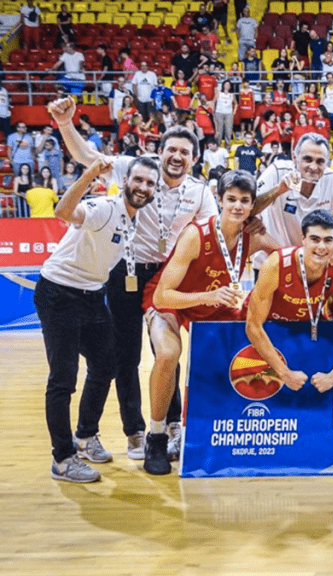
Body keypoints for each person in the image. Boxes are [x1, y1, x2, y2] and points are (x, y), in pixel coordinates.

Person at [50, 98, 218, 461]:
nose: (176, 156)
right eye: (171, 149)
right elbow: (87, 156)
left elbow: (213, 234)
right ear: (159, 152)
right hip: (124, 271)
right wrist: (66, 124)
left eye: (184, 152)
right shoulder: (134, 168)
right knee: (125, 357)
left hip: (167, 279)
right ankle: (135, 432)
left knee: (166, 352)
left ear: (194, 160)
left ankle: (173, 423)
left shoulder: (202, 193)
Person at [140, 171, 277, 474]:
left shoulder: (251, 235)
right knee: (167, 354)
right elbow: (164, 296)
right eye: (231, 200)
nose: (237, 206)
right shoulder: (195, 234)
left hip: (215, 303)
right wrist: (210, 295)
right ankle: (158, 436)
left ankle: (215, 430)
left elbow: (285, 256)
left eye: (244, 201)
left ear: (252, 206)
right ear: (219, 200)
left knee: (248, 345)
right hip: (175, 302)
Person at [35, 155, 158, 483]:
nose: (143, 187)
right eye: (138, 180)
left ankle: (86, 437)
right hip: (59, 293)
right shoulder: (105, 208)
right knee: (63, 379)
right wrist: (89, 174)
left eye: (149, 183)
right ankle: (62, 459)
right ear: (126, 181)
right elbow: (62, 212)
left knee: (107, 366)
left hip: (91, 295)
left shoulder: (132, 219)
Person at [245, 209, 333, 392]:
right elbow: (253, 326)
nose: (321, 247)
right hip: (265, 329)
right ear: (303, 239)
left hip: (304, 326)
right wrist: (284, 373)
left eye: (328, 240)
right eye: (315, 239)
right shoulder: (276, 265)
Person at [253, 132, 333, 260]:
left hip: (313, 265)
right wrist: (278, 190)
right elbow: (251, 207)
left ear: (327, 163)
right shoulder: (277, 171)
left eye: (320, 162)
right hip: (273, 263)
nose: (313, 167)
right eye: (308, 159)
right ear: (295, 157)